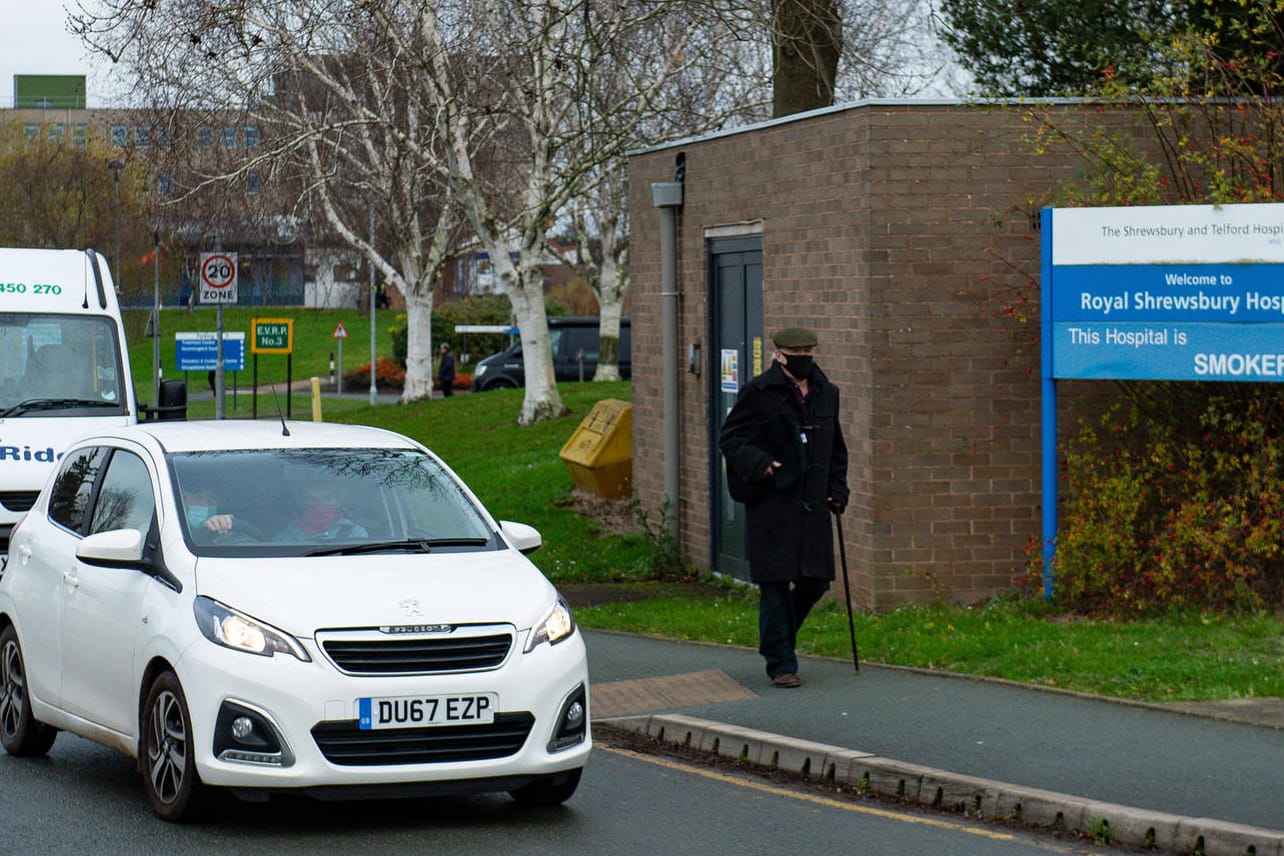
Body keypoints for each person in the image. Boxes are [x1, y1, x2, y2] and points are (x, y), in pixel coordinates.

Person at [719, 327, 849, 689]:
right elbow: (730, 437)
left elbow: (836, 448)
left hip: (813, 506)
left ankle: (777, 638)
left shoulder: (827, 394)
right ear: (779, 355)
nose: (804, 356)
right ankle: (780, 663)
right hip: (773, 503)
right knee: (774, 585)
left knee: (815, 582)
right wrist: (762, 464)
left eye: (809, 350)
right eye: (797, 351)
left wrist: (838, 490)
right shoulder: (758, 393)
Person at [276, 477, 368, 541]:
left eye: (327, 499)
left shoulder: (357, 534)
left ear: (338, 502)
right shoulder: (284, 539)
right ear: (303, 503)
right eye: (313, 500)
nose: (320, 505)